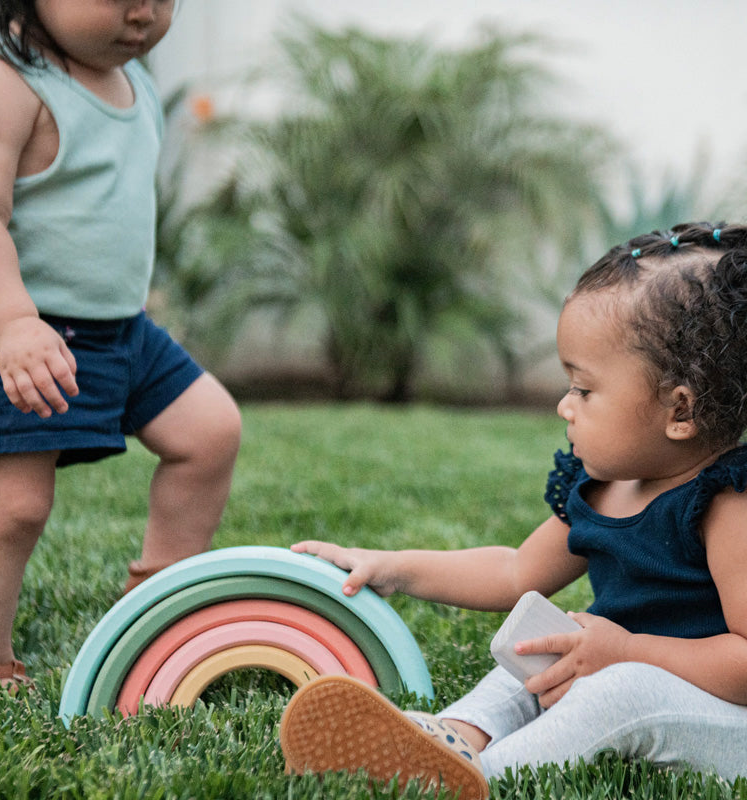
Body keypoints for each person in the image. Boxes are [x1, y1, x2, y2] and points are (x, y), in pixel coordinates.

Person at [279, 222, 747, 799]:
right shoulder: (604, 488)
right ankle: (453, 736)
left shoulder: (727, 504)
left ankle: (479, 779)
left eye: (584, 390)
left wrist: (627, 652)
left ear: (680, 411)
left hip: (726, 719)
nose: (564, 406)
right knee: (537, 648)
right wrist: (394, 568)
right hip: (620, 670)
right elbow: (514, 571)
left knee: (622, 689)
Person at [0, 0, 241, 691]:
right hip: (16, 330)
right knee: (14, 508)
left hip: (119, 330)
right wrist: (12, 324)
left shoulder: (133, 79)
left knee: (210, 432)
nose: (144, 13)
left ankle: (156, 607)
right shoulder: (3, 81)